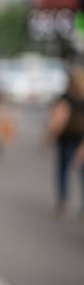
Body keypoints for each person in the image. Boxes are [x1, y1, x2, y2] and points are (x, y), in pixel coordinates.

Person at [46, 65, 84, 220]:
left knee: (62, 171)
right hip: (81, 141)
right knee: (82, 176)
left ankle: (62, 202)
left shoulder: (65, 99)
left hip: (66, 140)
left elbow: (59, 120)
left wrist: (49, 137)